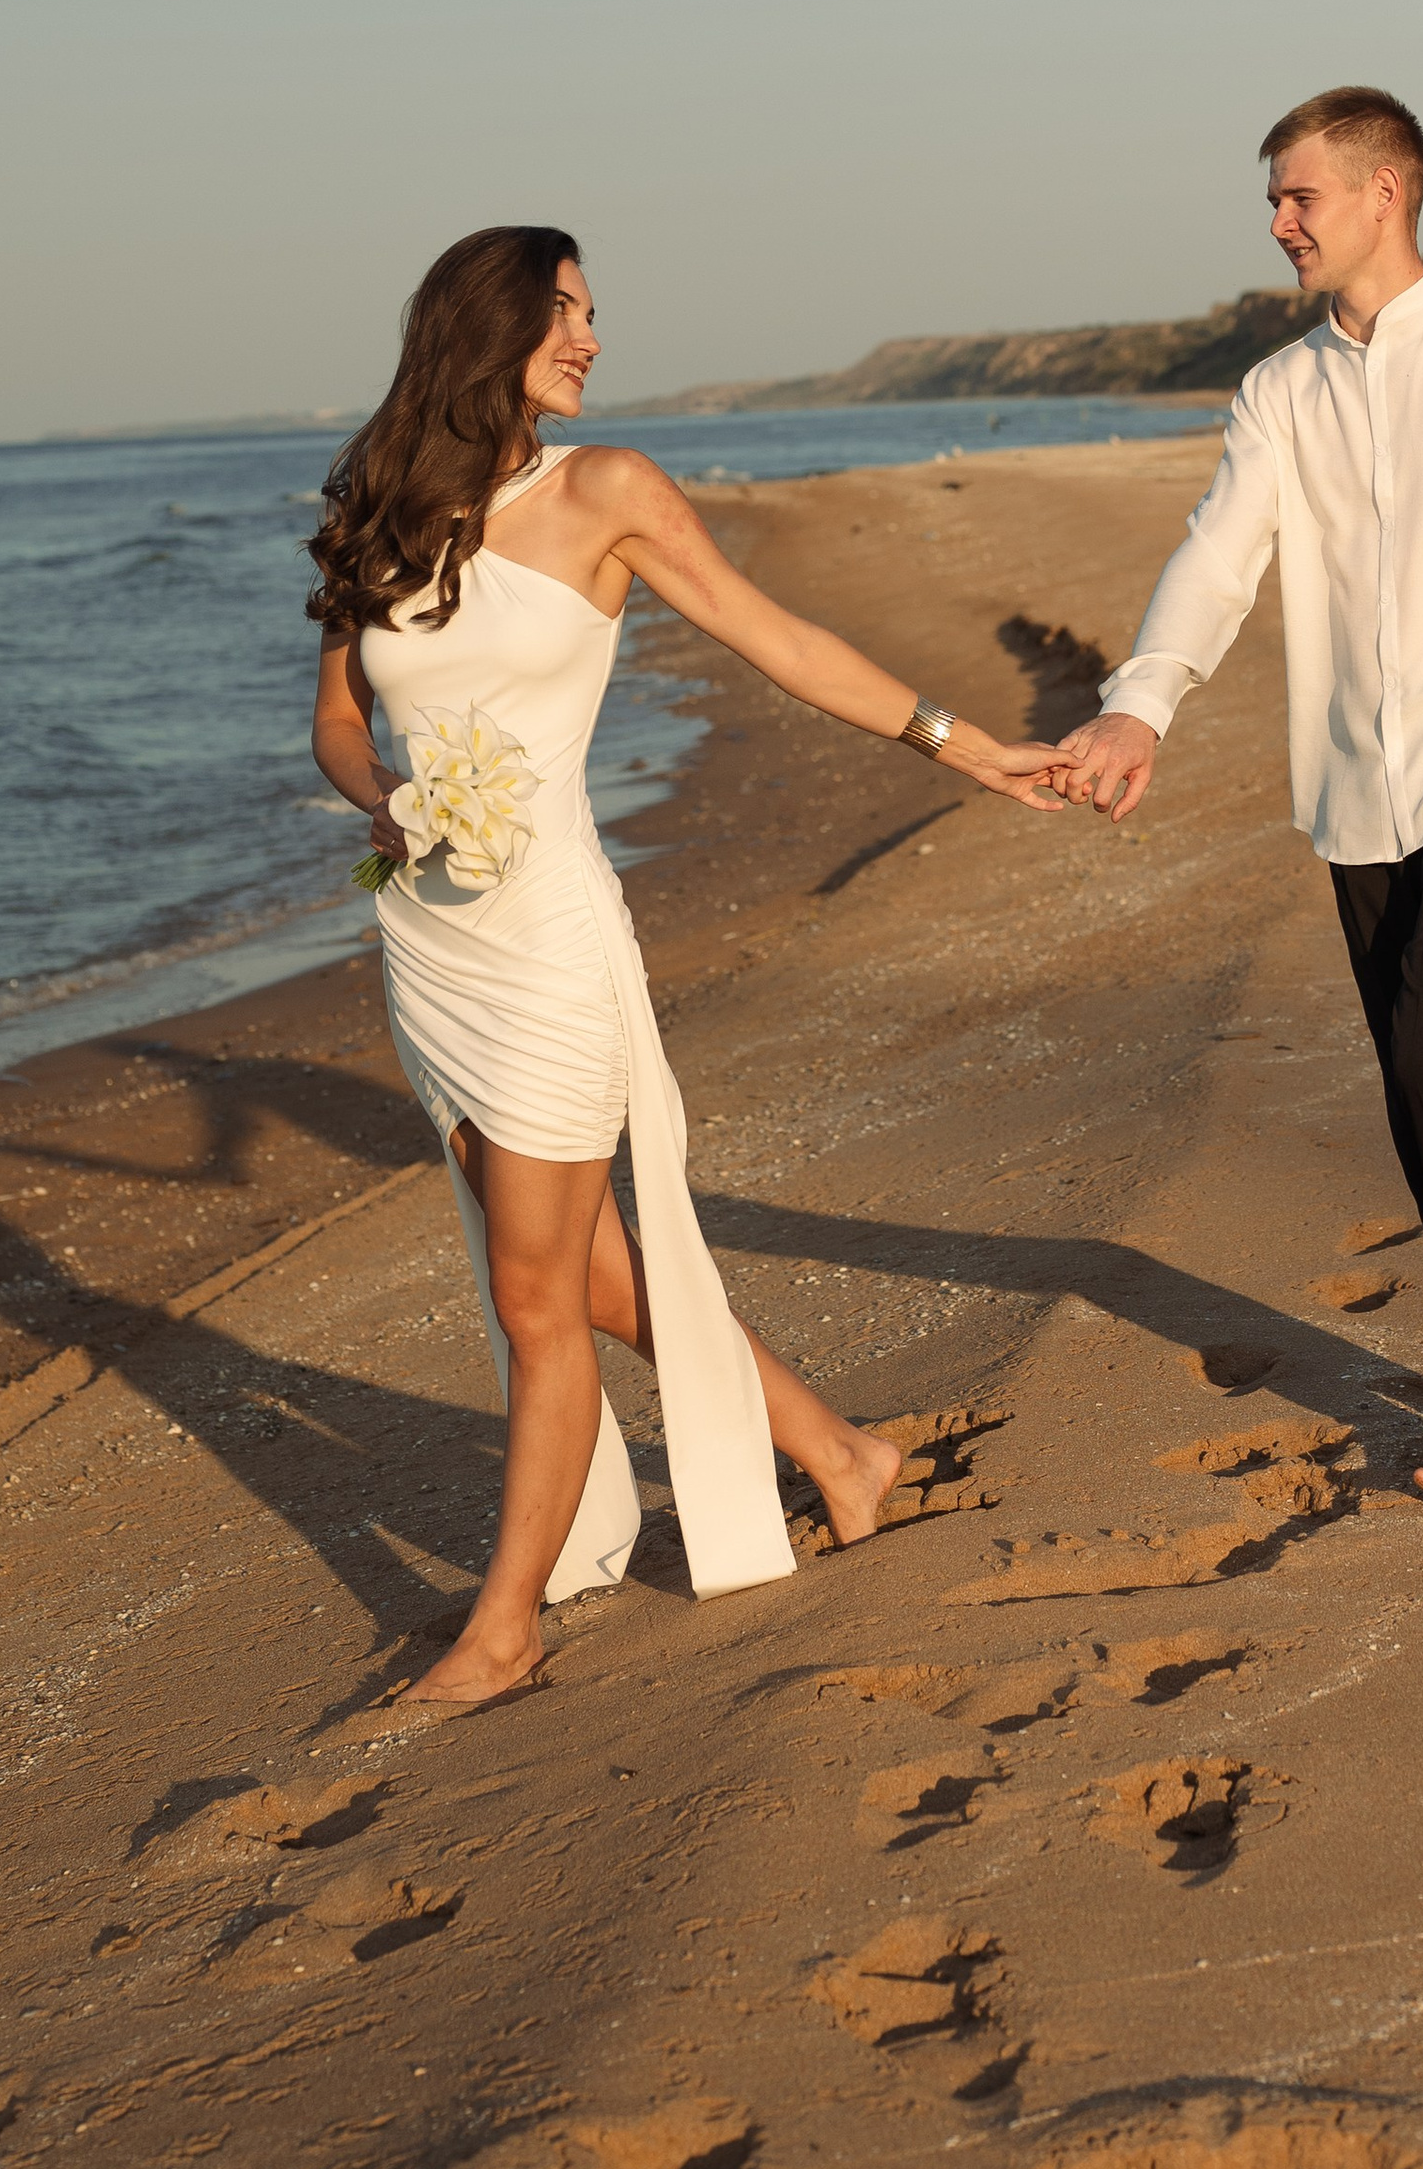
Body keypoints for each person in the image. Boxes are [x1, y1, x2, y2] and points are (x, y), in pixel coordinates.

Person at [307, 225, 1063, 1708]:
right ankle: (842, 1454)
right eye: (564, 313)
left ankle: (505, 1629)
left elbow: (779, 639)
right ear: (487, 327)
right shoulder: (383, 510)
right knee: (585, 1277)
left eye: (591, 313)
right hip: (431, 949)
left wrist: (963, 746)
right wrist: (383, 797)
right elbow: (338, 720)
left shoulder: (607, 492)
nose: (591, 338)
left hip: (548, 946)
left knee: (536, 1303)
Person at [1052, 89, 1423, 1515]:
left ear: (1386, 192)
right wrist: (1142, 702)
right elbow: (1219, 557)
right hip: (1357, 787)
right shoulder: (1281, 391)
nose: (1279, 222)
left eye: (1299, 194)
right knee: (1414, 1085)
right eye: (1274, 199)